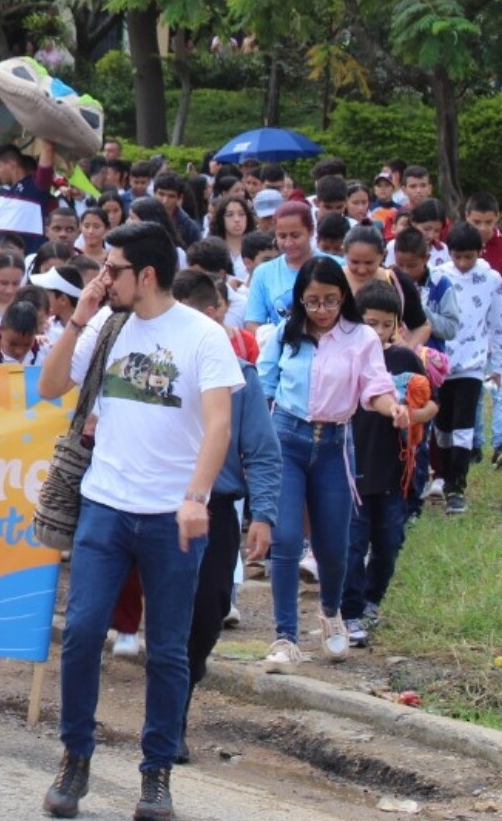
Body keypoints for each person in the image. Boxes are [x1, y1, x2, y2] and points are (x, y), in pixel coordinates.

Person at [36, 221, 240, 821]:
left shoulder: (203, 336)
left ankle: (156, 775)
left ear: (145, 275)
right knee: (80, 632)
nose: (104, 276)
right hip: (105, 504)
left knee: (168, 650)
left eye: (113, 268)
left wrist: (197, 496)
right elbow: (49, 387)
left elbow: (220, 425)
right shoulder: (105, 324)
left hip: (170, 514)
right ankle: (75, 758)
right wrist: (81, 315)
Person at [257, 258, 408, 669]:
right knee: (286, 539)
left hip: (335, 444)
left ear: (343, 297)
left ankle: (331, 614)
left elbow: (374, 387)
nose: (321, 310)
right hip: (286, 438)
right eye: (312, 302)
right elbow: (263, 388)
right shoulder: (283, 336)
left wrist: (391, 406)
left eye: (330, 301)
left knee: (335, 546)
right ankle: (285, 636)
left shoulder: (360, 337)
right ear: (299, 300)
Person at [166, 269, 279, 764]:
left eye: (204, 315)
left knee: (208, 614)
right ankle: (169, 724)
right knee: (170, 615)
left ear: (218, 314)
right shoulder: (159, 369)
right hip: (159, 506)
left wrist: (265, 515)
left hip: (215, 510)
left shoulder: (241, 379)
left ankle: (181, 693)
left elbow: (262, 452)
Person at [342, 279, 438, 647]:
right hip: (352, 467)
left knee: (389, 541)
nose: (380, 332)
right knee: (352, 543)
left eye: (387, 324)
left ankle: (370, 600)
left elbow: (432, 403)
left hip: (396, 471)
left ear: (398, 324)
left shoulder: (405, 359)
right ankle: (348, 612)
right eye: (371, 323)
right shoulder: (345, 357)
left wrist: (412, 417)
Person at [426, 224, 502, 515]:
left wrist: (497, 366)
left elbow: (498, 324)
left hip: (472, 365)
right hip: (439, 364)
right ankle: (443, 477)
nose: (462, 264)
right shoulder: (438, 277)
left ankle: (458, 487)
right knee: (443, 427)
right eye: (457, 257)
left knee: (464, 427)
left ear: (479, 253)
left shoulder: (491, 279)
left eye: (468, 258)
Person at [463, 193, 502, 468]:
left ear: (497, 218)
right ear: (467, 219)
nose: (483, 228)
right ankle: (473, 442)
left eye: (488, 222)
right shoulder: (464, 248)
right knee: (473, 384)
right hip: (473, 327)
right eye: (477, 222)